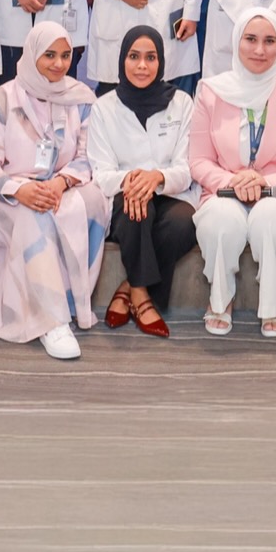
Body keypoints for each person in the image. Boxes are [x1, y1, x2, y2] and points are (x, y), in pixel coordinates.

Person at [0, 21, 106, 359]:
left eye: (65, 55)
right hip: (8, 195)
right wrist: (19, 189)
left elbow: (88, 157)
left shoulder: (81, 99)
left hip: (61, 186)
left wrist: (60, 183)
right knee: (34, 215)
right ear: (31, 55)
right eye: (49, 55)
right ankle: (51, 321)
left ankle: (72, 302)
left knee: (95, 201)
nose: (59, 64)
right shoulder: (2, 98)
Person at [189, 7, 276, 336]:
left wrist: (264, 182)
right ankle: (220, 298)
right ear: (237, 42)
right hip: (223, 190)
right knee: (220, 220)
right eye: (250, 39)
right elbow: (199, 160)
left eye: (269, 41)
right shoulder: (211, 91)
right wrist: (233, 182)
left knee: (271, 219)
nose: (260, 50)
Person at [86, 25, 198, 337]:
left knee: (184, 223)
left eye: (151, 58)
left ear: (161, 61)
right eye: (134, 57)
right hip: (125, 194)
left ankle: (130, 288)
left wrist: (157, 177)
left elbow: (187, 167)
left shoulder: (182, 103)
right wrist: (133, 180)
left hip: (171, 192)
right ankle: (143, 298)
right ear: (122, 59)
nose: (142, 66)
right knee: (137, 212)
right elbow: (101, 173)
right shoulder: (103, 107)